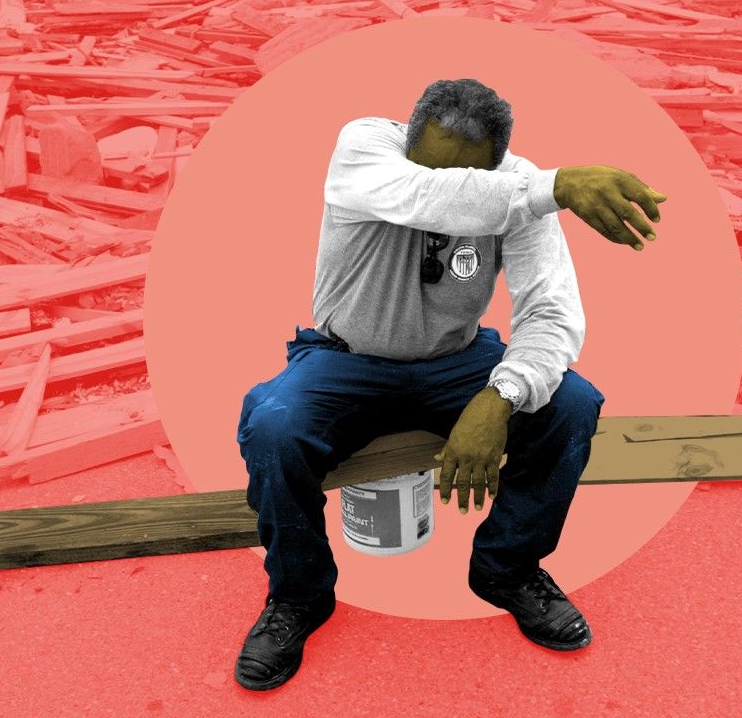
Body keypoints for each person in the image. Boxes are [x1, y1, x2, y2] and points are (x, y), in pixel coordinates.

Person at [234, 78, 667, 691]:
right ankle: (298, 597)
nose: (452, 191)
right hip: (346, 359)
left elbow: (551, 314)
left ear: (495, 166)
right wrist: (555, 185)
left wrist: (500, 396)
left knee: (571, 403)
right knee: (273, 424)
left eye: (475, 176)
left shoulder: (520, 191)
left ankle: (508, 569)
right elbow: (426, 196)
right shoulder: (363, 148)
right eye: (432, 165)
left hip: (454, 363)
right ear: (407, 139)